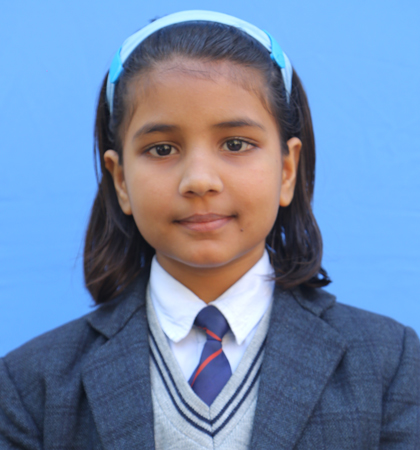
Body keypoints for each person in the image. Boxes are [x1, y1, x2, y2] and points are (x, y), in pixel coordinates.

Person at [0, 10, 419, 449]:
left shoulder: (389, 364)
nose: (199, 180)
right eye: (162, 149)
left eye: (236, 144)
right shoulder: (31, 386)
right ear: (120, 180)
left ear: (287, 169)